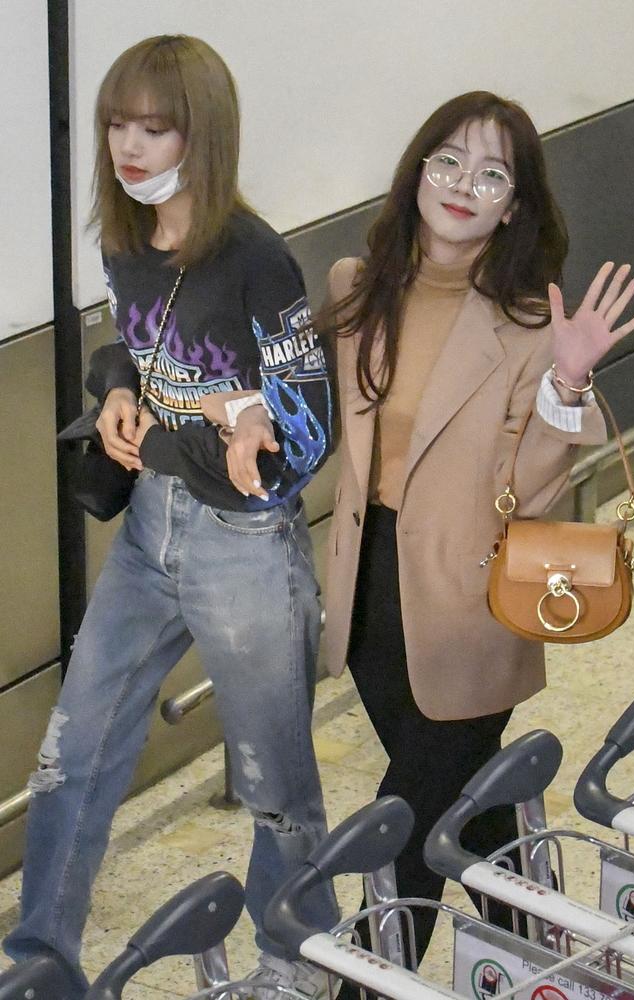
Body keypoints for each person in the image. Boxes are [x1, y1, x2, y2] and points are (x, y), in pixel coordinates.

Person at [2, 34, 337, 999]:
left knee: (276, 782)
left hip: (244, 550)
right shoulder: (122, 237)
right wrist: (114, 387)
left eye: (156, 127)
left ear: (205, 134)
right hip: (151, 534)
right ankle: (40, 963)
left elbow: (302, 440)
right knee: (75, 750)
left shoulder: (257, 260)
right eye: (116, 124)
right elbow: (135, 346)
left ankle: (296, 955)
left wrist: (169, 440)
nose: (129, 146)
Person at [321, 91, 634, 982]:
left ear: (513, 205)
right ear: (419, 172)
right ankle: (550, 964)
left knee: (407, 821)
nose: (466, 183)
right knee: (470, 807)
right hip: (371, 592)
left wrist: (568, 385)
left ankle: (361, 977)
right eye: (450, 161)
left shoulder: (528, 324)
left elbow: (534, 488)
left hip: (473, 597)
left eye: (493, 173)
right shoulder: (356, 289)